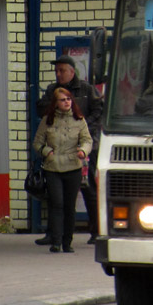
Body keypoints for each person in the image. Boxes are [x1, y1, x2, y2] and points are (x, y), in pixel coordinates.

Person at [35, 55, 103, 246]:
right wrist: (49, 101)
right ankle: (53, 234)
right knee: (54, 195)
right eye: (56, 71)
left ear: (72, 72)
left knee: (88, 189)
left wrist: (83, 128)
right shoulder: (52, 90)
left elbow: (99, 110)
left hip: (83, 149)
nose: (58, 74)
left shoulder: (86, 89)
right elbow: (41, 111)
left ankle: (96, 231)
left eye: (62, 70)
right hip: (57, 151)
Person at [32, 87, 93, 253]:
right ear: (56, 103)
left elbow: (88, 140)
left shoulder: (79, 120)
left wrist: (83, 151)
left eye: (68, 99)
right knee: (56, 203)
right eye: (62, 100)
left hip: (73, 166)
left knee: (69, 205)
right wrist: (47, 152)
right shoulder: (48, 120)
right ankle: (56, 241)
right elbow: (37, 143)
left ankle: (68, 242)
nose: (67, 102)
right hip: (53, 167)